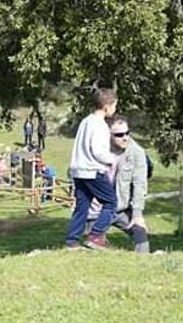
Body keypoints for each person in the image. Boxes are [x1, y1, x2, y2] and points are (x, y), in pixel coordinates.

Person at [64, 88, 119, 250]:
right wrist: (111, 159)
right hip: (92, 170)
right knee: (110, 202)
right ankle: (95, 236)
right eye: (114, 105)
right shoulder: (99, 125)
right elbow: (98, 150)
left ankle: (72, 240)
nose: (115, 109)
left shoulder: (86, 121)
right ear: (107, 106)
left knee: (82, 206)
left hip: (78, 171)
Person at [86, 117, 150, 253]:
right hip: (99, 210)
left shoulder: (137, 153)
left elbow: (140, 184)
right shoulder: (98, 149)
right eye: (119, 135)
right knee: (93, 248)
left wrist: (137, 214)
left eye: (127, 133)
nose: (125, 137)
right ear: (109, 135)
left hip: (122, 208)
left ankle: (144, 264)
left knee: (142, 238)